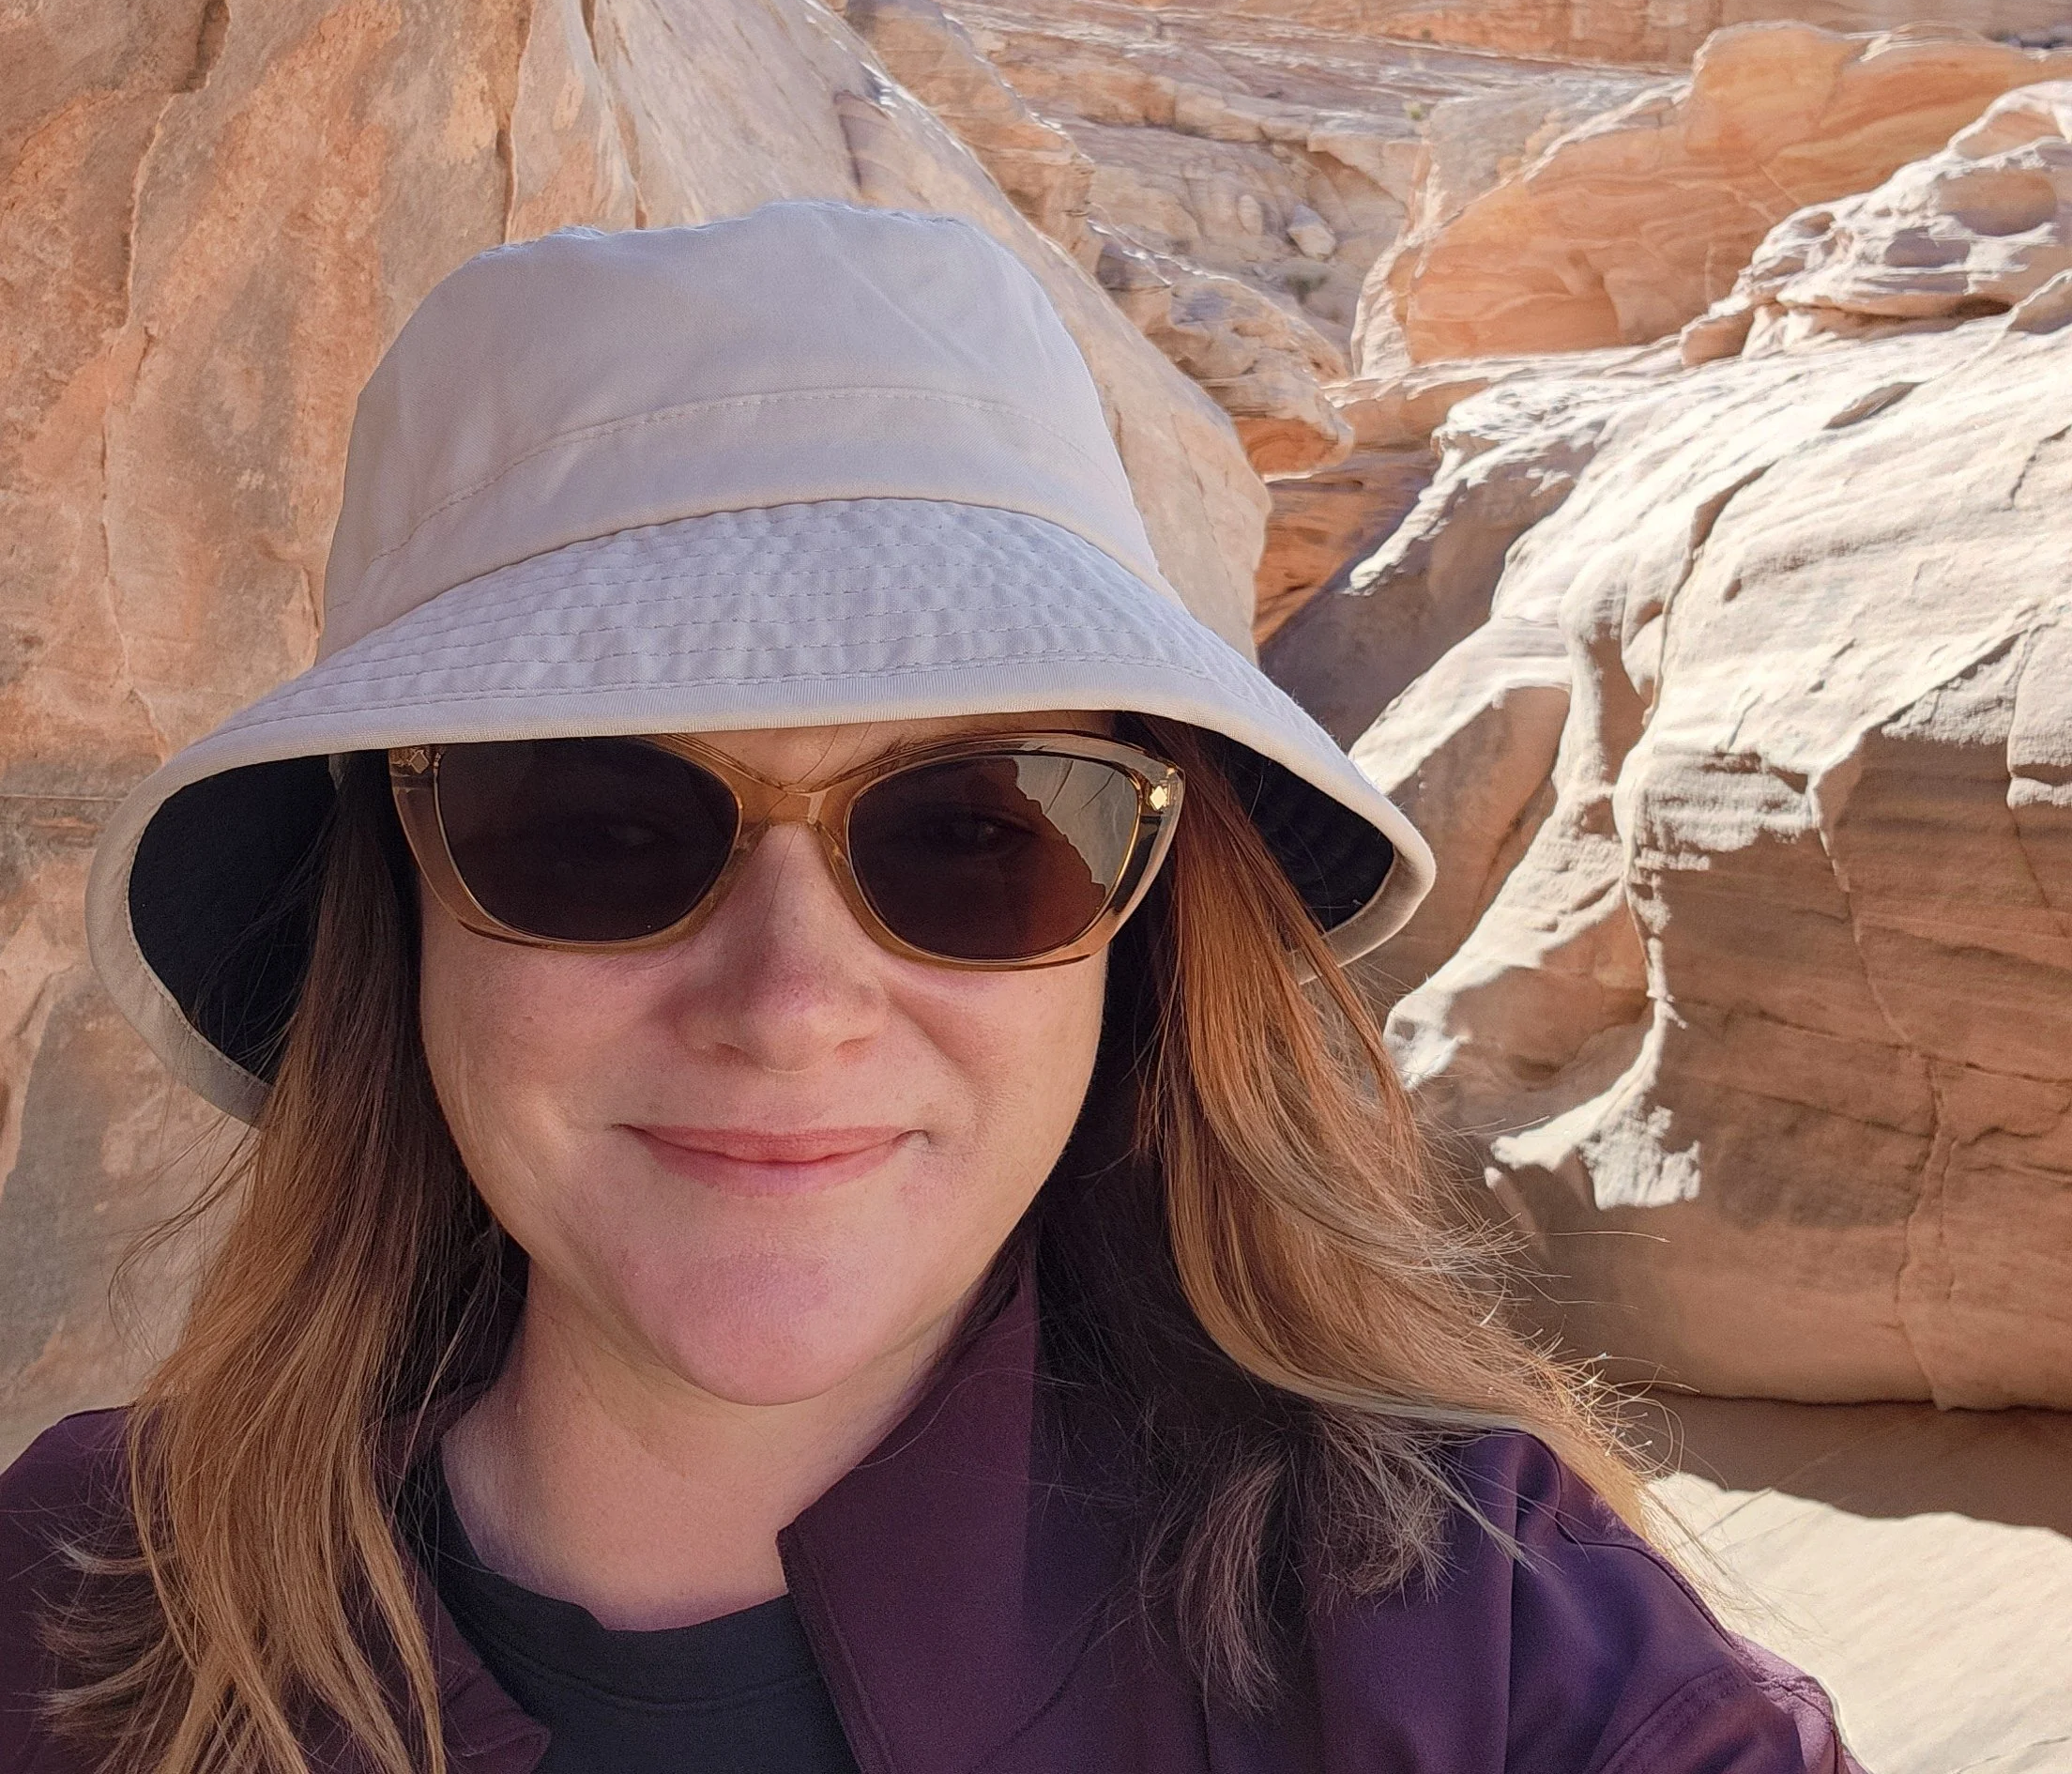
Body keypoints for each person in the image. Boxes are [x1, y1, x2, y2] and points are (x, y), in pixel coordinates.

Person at [0, 204, 1862, 1774]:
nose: (795, 1002)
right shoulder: (69, 1607)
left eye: (975, 837)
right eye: (591, 827)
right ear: (385, 910)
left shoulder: (1515, 1674)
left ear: (1138, 929)